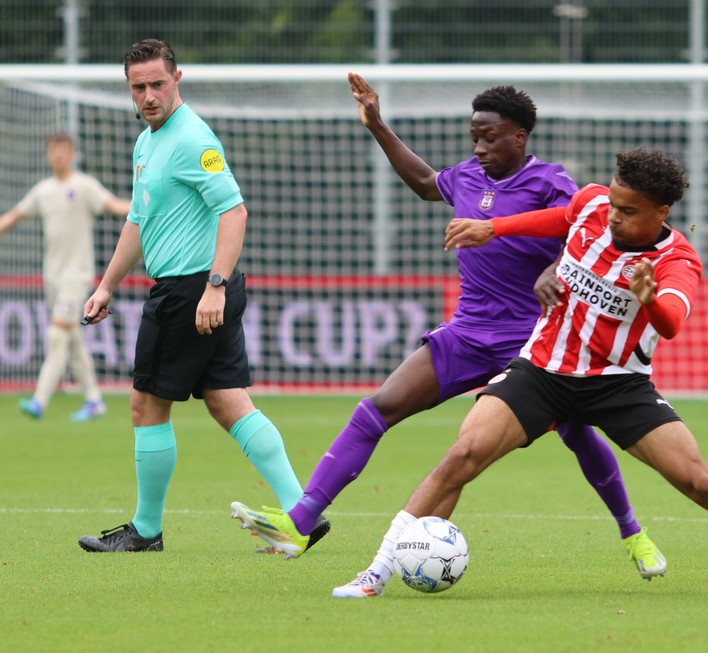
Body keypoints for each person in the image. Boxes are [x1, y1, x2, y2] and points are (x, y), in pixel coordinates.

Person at [337, 147, 708, 599]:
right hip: (542, 369)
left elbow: (675, 322)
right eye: (612, 202)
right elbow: (562, 217)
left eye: (628, 210)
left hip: (618, 383)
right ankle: (374, 574)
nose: (612, 215)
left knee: (699, 483)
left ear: (660, 212)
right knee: (462, 456)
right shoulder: (594, 202)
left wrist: (649, 299)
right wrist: (492, 227)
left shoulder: (677, 259)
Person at [231, 74, 665, 596]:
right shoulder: (464, 177)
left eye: (490, 137)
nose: (479, 147)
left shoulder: (552, 182)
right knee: (376, 409)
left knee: (576, 431)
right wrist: (377, 124)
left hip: (531, 342)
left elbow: (586, 234)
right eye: (474, 136)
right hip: (468, 333)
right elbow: (422, 181)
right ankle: (300, 524)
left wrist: (554, 268)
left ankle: (632, 532)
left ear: (519, 137)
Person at [76, 39, 328, 554]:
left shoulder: (192, 138)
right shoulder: (148, 142)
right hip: (199, 289)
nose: (148, 96)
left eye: (156, 84)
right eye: (138, 87)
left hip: (193, 290)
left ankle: (146, 532)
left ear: (177, 79)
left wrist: (212, 287)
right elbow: (138, 221)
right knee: (228, 401)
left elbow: (233, 212)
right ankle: (302, 514)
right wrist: (106, 285)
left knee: (146, 404)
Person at [0, 132, 130, 421]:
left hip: (76, 277)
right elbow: (13, 217)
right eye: (53, 150)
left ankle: (39, 400)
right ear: (48, 154)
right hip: (52, 279)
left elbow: (114, 205)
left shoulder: (84, 186)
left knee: (57, 334)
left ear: (71, 153)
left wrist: (144, 208)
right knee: (72, 340)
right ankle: (95, 401)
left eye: (63, 150)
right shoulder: (43, 190)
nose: (58, 155)